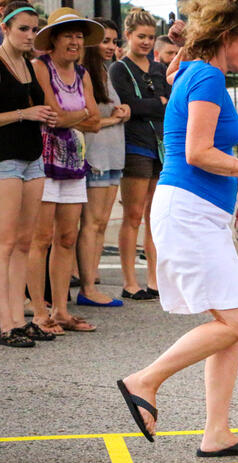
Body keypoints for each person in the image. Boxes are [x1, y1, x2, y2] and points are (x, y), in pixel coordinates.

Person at [117, 0, 238, 456]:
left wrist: (231, 191)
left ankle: (217, 434)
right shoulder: (208, 75)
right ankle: (145, 380)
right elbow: (197, 152)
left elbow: (177, 81)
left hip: (200, 211)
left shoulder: (195, 71)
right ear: (227, 35)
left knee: (230, 320)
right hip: (188, 210)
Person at [29, 8, 102, 335]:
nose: (75, 42)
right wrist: (82, 114)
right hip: (43, 161)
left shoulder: (84, 73)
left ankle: (61, 310)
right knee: (41, 238)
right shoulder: (39, 67)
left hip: (74, 162)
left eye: (79, 36)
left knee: (67, 237)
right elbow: (52, 115)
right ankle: (39, 312)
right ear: (53, 40)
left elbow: (96, 122)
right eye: (69, 35)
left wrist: (78, 116)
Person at [0, 1, 58, 348]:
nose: (30, 35)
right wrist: (24, 113)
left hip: (33, 158)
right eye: (23, 28)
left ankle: (19, 319)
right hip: (4, 158)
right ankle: (4, 322)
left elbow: (38, 106)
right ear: (5, 28)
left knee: (25, 241)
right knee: (5, 242)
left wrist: (45, 115)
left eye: (34, 29)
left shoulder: (29, 64)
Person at [110, 8, 171, 301]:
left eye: (150, 37)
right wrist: (151, 104)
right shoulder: (119, 69)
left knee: (154, 215)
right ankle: (129, 280)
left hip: (160, 145)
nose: (146, 42)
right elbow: (124, 105)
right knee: (133, 214)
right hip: (135, 145)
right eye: (141, 37)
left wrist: (143, 106)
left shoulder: (158, 68)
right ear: (128, 36)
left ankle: (154, 278)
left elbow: (166, 102)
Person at [76, 18, 129, 308]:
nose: (111, 46)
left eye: (114, 41)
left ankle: (92, 281)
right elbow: (86, 121)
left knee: (101, 223)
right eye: (106, 40)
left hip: (113, 155)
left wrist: (125, 112)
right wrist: (115, 118)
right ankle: (87, 286)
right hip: (95, 156)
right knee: (92, 223)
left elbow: (109, 115)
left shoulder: (104, 72)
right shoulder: (83, 73)